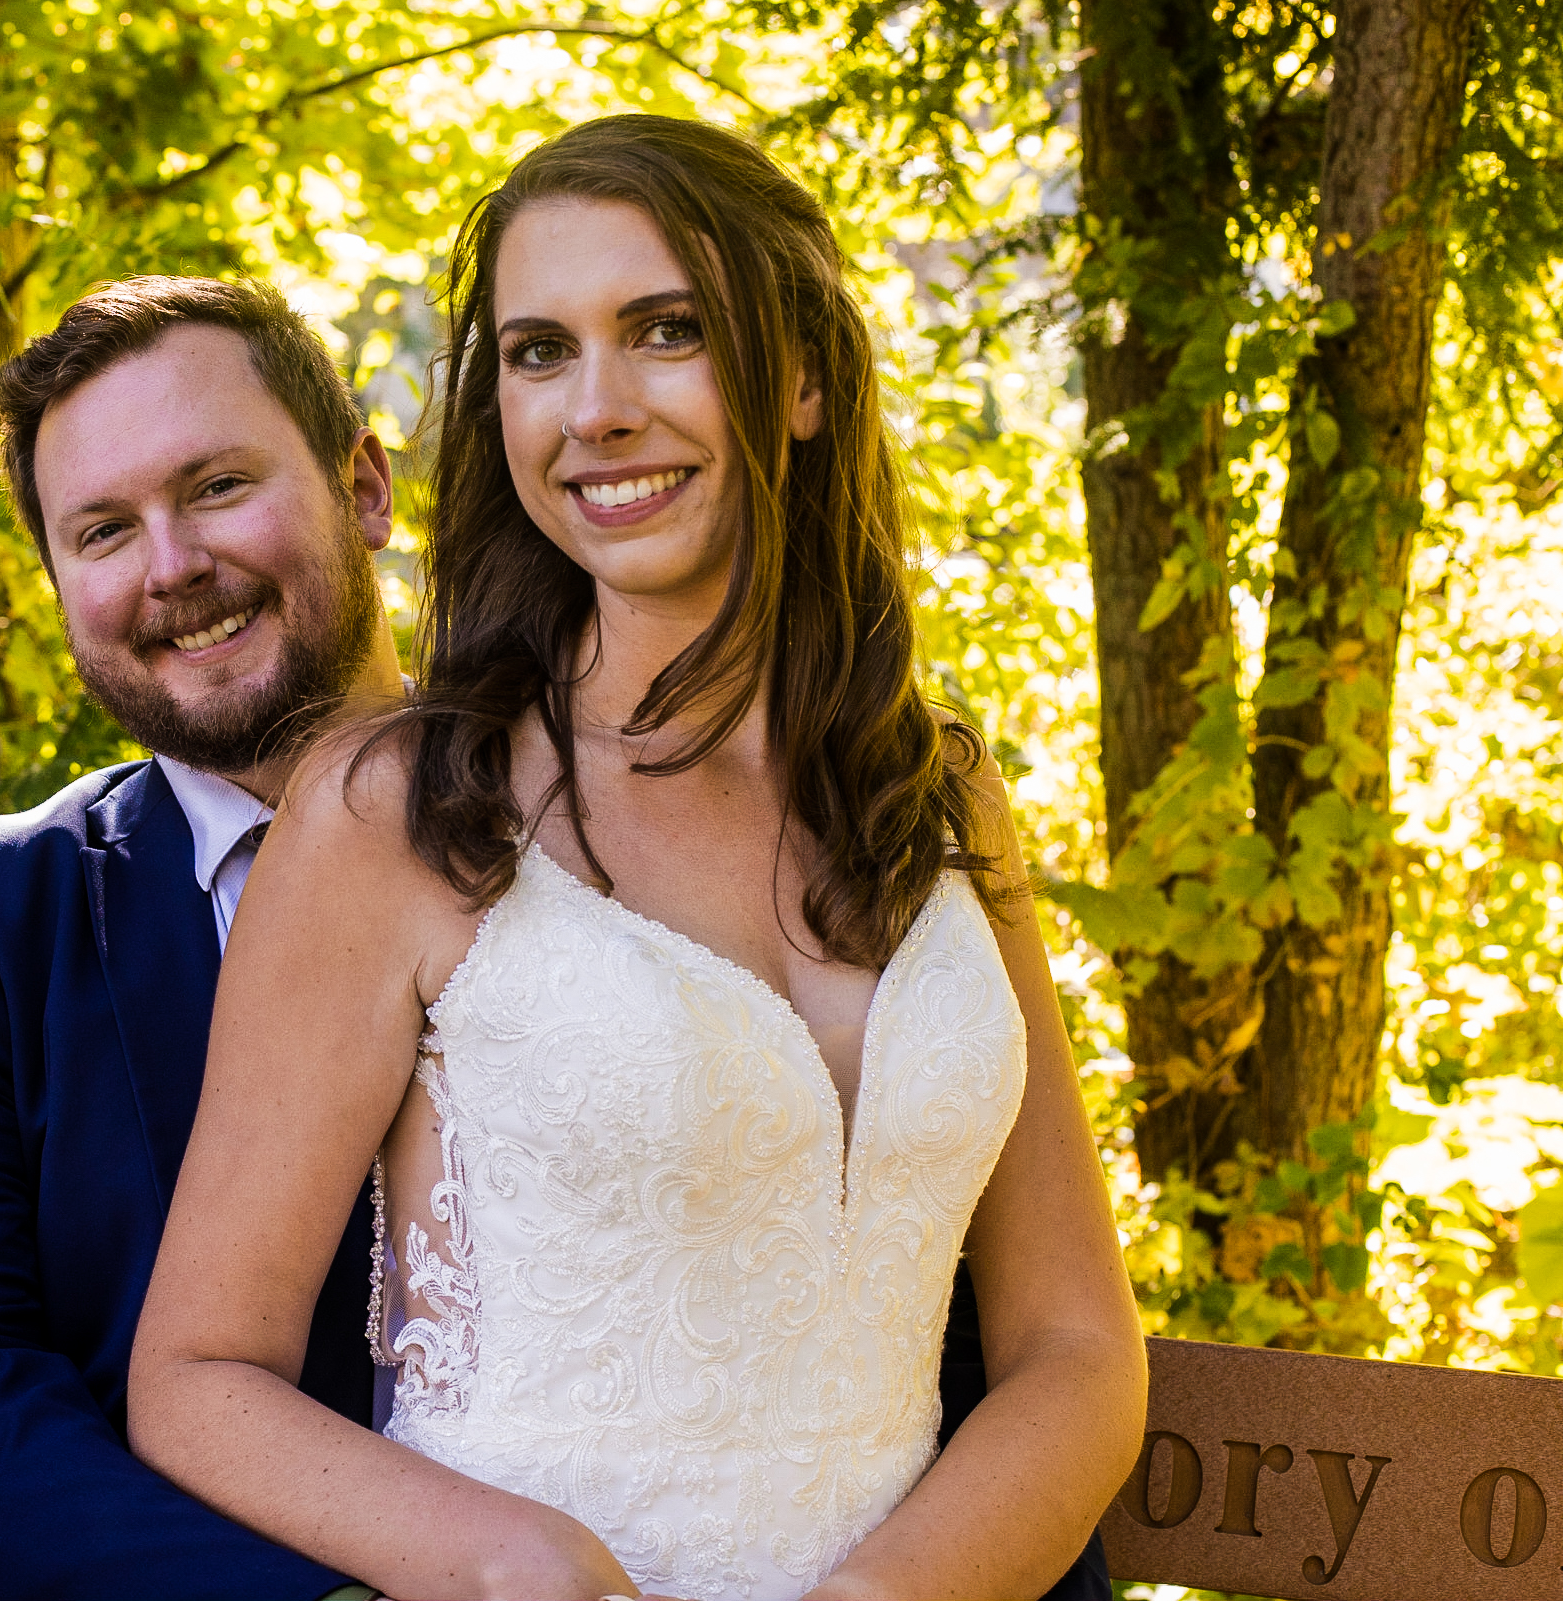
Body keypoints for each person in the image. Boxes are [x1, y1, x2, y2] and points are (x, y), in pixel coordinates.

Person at [125, 117, 1147, 1601]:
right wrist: (506, 1561)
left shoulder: (943, 798)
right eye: (539, 353)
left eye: (664, 331)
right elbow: (199, 1373)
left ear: (799, 376)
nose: (592, 409)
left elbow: (1075, 1347)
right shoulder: (402, 812)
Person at [0, 277, 405, 1601]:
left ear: (364, 487)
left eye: (214, 487)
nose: (171, 566)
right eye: (101, 531)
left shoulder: (588, 835)